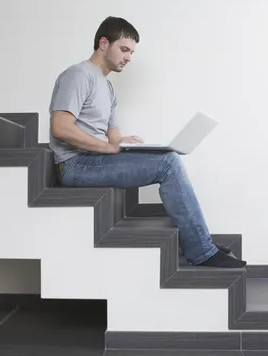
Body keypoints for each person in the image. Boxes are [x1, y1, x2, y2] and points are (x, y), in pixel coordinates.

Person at [48, 16, 246, 268]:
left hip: (94, 160)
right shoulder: (78, 75)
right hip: (75, 165)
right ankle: (201, 251)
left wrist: (126, 142)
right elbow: (61, 127)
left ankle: (200, 242)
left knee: (166, 157)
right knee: (168, 164)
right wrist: (109, 147)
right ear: (103, 43)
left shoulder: (107, 89)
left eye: (132, 52)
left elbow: (113, 137)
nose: (129, 57)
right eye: (124, 49)